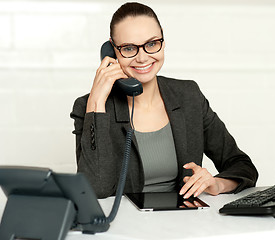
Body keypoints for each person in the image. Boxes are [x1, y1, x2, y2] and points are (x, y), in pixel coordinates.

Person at [70, 2, 258, 199]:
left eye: (151, 44)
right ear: (112, 51)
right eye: (128, 48)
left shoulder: (188, 95)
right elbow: (94, 190)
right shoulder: (89, 106)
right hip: (126, 227)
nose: (142, 58)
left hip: (184, 224)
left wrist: (217, 184)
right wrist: (97, 101)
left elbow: (242, 166)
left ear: (163, 40)